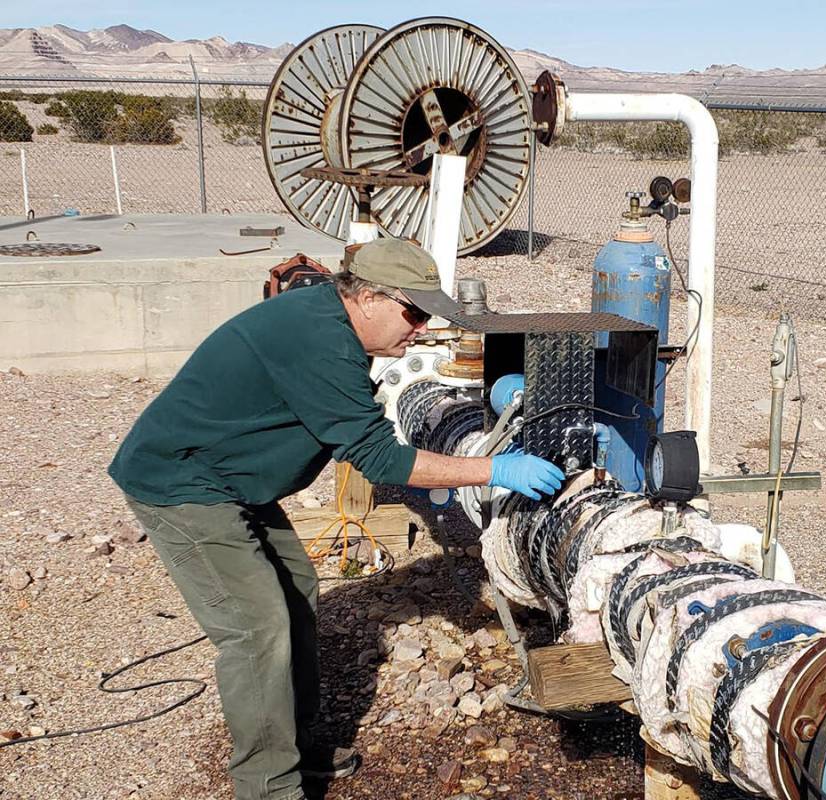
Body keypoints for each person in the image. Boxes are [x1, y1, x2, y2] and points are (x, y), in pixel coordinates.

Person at [108, 238, 563, 800]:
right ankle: (268, 786)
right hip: (183, 482)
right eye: (413, 313)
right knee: (257, 629)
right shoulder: (319, 341)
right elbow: (380, 459)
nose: (420, 329)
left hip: (233, 481)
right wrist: (492, 468)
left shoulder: (334, 321)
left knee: (296, 589)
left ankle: (294, 747)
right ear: (368, 297)